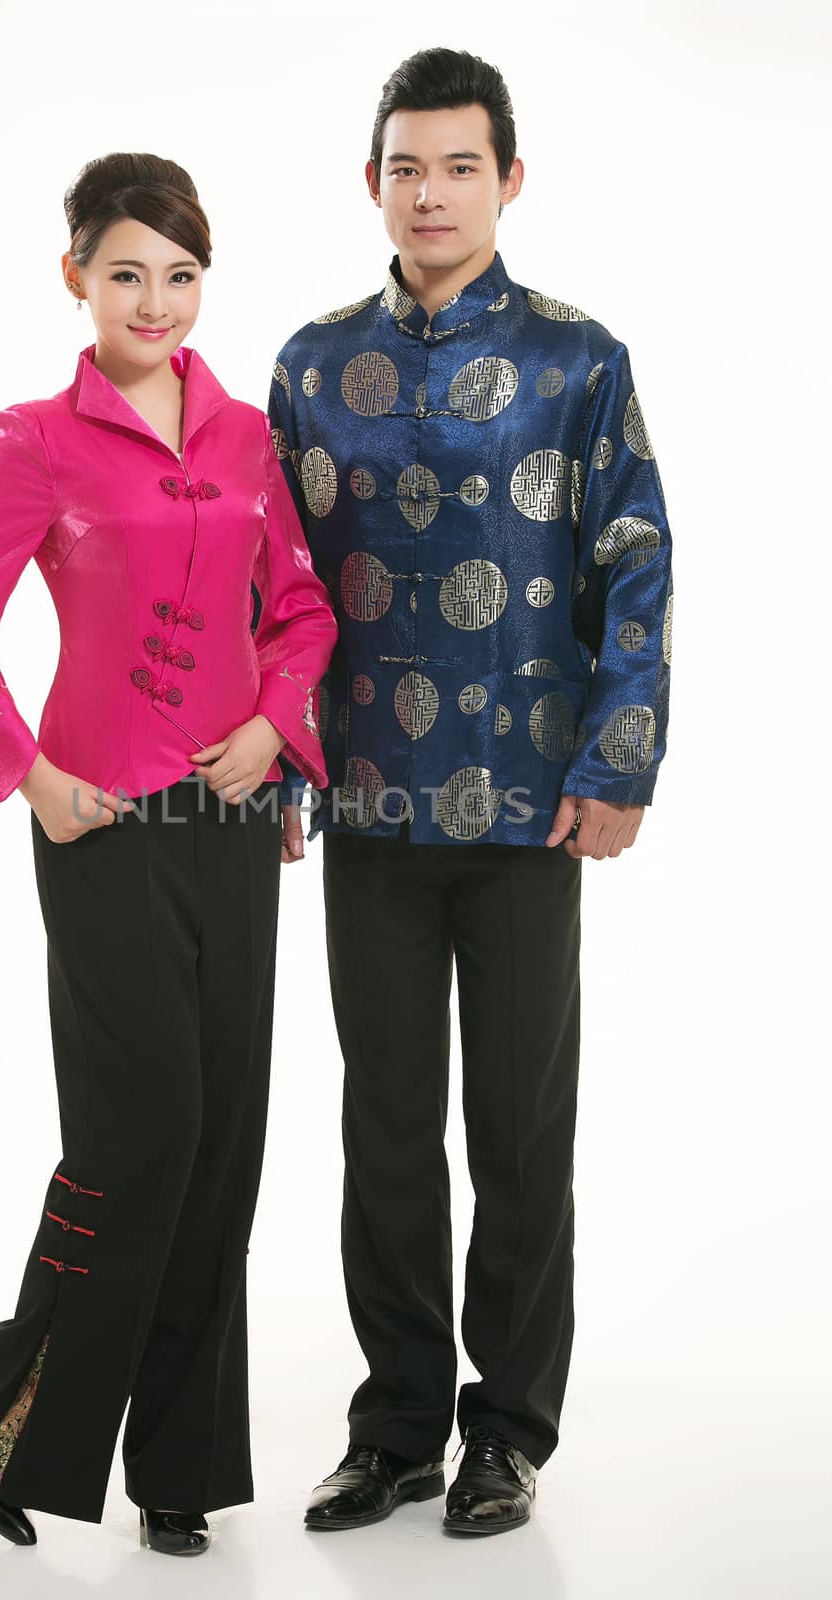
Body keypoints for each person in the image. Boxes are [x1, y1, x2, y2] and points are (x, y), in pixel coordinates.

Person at [0, 151, 337, 1557]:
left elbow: (303, 616)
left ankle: (183, 1468)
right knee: (140, 1133)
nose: (157, 300)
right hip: (98, 831)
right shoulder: (37, 440)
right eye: (129, 271)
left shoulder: (242, 439)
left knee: (222, 1146)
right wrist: (27, 776)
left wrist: (278, 729)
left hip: (226, 827)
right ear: (78, 275)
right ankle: (5, 1421)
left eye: (183, 274)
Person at [267, 48, 673, 1537]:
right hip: (368, 801)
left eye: (457, 165)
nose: (428, 192)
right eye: (403, 166)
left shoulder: (579, 361)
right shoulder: (312, 367)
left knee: (516, 1130)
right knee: (385, 1125)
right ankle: (393, 1429)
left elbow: (635, 562)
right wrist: (283, 766)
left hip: (526, 811)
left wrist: (618, 761)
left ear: (510, 178)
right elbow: (282, 591)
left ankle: (507, 1428)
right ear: (370, 181)